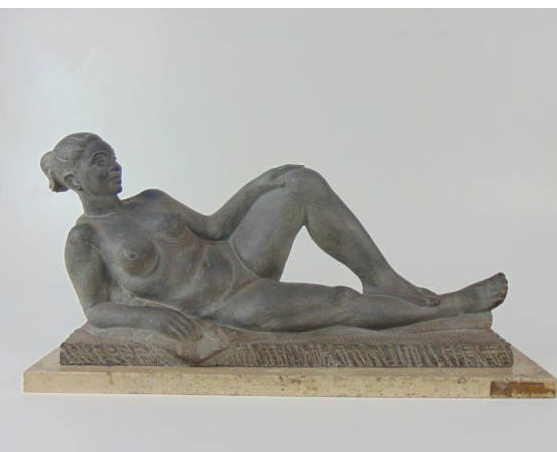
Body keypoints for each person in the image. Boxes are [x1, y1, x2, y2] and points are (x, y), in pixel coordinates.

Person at [41, 133, 507, 341]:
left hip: (239, 258)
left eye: (112, 157)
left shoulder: (152, 199)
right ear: (75, 179)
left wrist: (256, 187)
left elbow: (214, 228)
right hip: (229, 304)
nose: (114, 167)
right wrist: (153, 320)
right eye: (99, 162)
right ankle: (450, 307)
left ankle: (383, 278)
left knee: (299, 181)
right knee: (339, 302)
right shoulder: (85, 239)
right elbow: (96, 309)